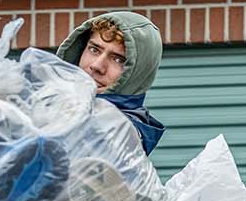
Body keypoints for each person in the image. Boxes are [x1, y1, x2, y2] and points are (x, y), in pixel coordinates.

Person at [56, 13, 166, 154]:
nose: (97, 66)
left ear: (137, 74)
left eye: (118, 59)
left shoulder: (125, 131)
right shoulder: (55, 98)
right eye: (94, 50)